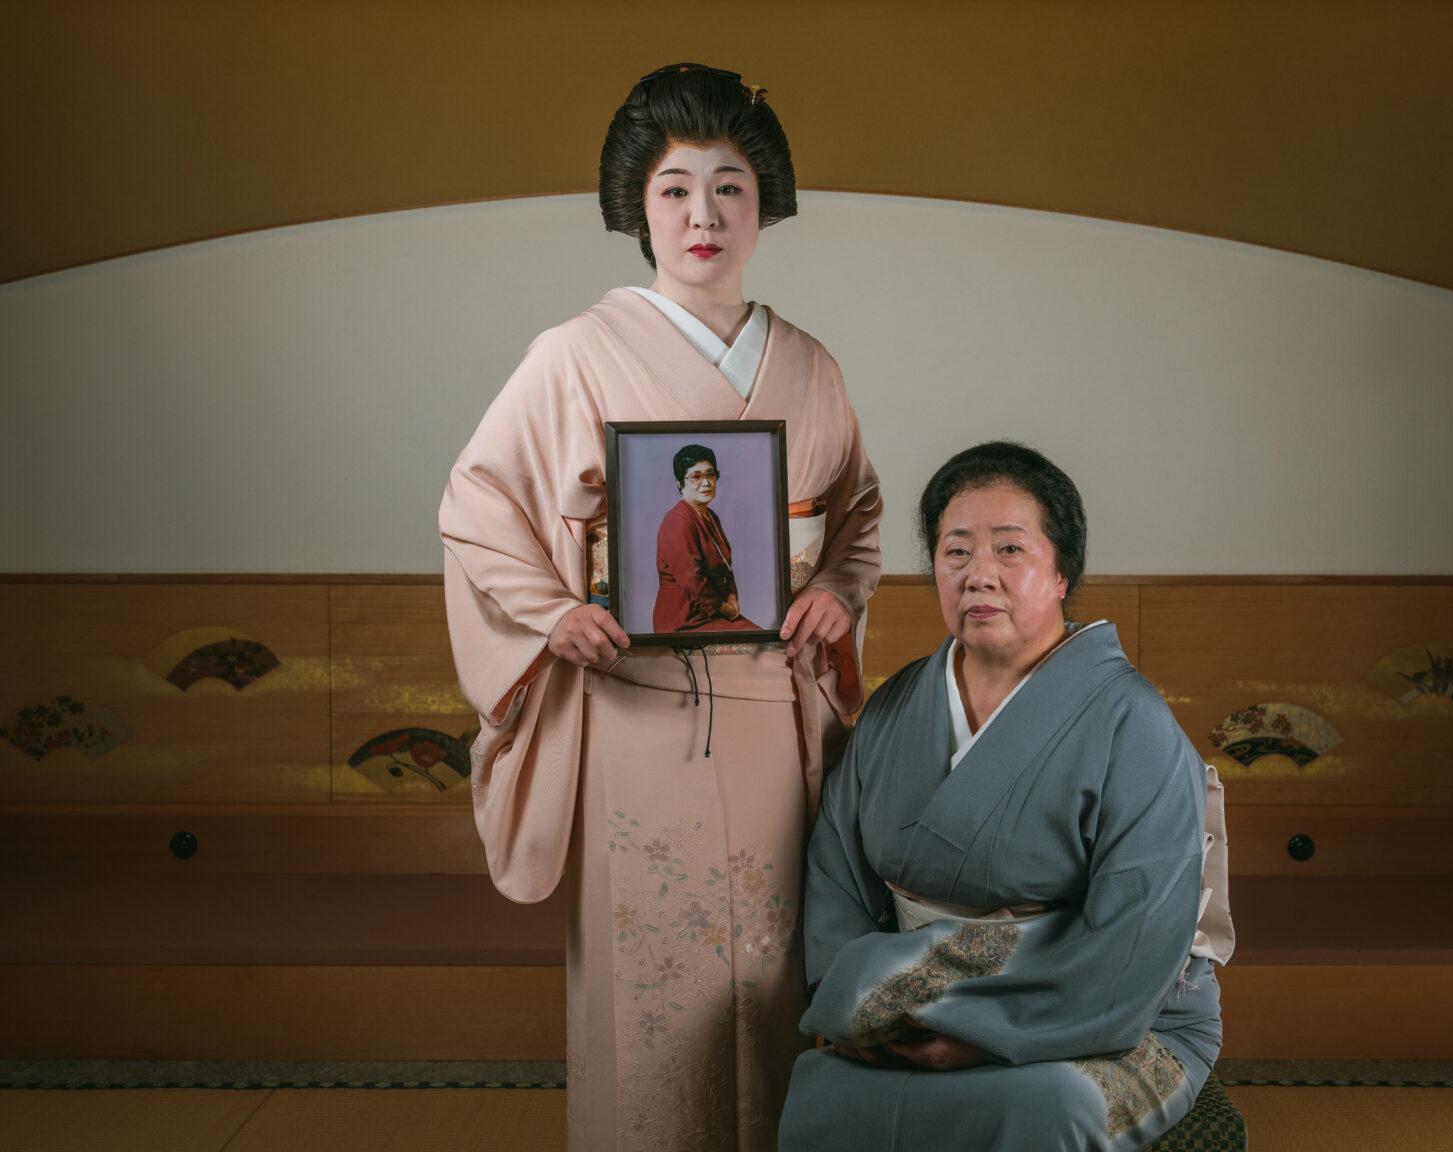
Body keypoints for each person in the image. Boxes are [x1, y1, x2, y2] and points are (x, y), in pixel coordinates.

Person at [439, 63, 881, 1152]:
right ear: (638, 205)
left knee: (775, 968)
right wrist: (551, 613)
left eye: (730, 187)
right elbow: (476, 498)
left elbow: (858, 511)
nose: (704, 215)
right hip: (631, 710)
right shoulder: (575, 357)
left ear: (763, 206)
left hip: (770, 714)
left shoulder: (810, 368)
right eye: (677, 188)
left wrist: (831, 589)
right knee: (650, 976)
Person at [779, 442, 1232, 1152]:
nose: (977, 574)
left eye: (1010, 549)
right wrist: (861, 1013)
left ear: (1061, 573)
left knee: (1043, 1106)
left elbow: (1137, 936)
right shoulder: (897, 708)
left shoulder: (1133, 723)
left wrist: (989, 1036)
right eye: (955, 551)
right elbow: (835, 872)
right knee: (823, 1089)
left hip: (1109, 1020)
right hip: (912, 1010)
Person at [654, 443, 760, 633]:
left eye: (710, 474)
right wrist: (723, 608)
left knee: (769, 641)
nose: (706, 482)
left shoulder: (710, 516)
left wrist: (732, 597)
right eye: (696, 476)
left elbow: (726, 566)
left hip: (717, 611)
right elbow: (691, 580)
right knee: (761, 649)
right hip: (685, 618)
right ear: (680, 483)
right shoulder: (677, 521)